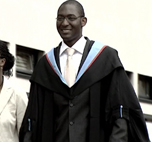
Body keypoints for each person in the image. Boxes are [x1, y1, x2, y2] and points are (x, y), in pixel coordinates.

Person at [19, 0, 150, 142]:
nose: (64, 23)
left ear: (83, 21)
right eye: (60, 18)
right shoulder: (45, 65)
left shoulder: (105, 59)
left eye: (71, 18)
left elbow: (120, 111)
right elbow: (33, 118)